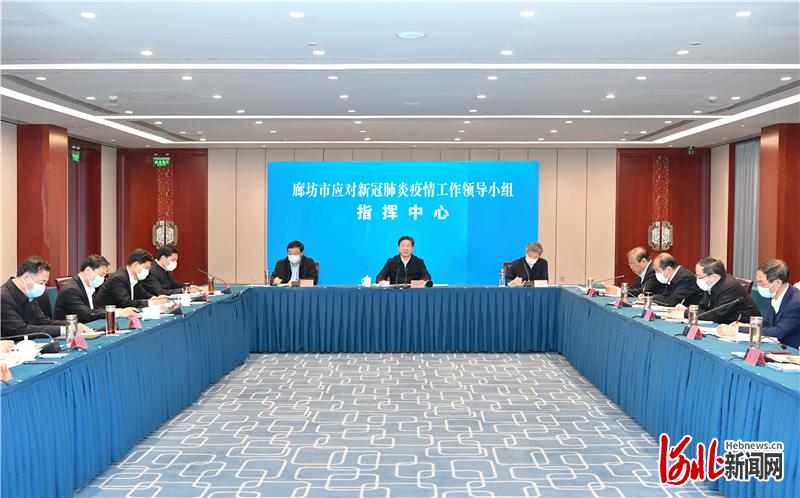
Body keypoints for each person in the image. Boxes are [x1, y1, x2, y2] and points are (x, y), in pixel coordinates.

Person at [1, 256, 91, 339]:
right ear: (26, 278)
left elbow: (41, 321)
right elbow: (20, 330)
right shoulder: (3, 298)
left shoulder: (28, 292)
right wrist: (64, 330)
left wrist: (71, 324)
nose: (43, 287)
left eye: (45, 283)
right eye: (41, 283)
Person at [717, 259, 800, 348]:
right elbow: (767, 325)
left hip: (790, 351)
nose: (759, 286)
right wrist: (746, 326)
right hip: (774, 347)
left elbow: (778, 332)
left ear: (777, 283)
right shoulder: (776, 295)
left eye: (761, 283)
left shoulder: (796, 303)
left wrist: (737, 330)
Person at [666, 256, 759, 324]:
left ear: (713, 276)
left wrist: (685, 314)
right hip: (724, 325)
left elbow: (716, 315)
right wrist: (688, 309)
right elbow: (703, 307)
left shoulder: (729, 287)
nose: (697, 279)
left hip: (742, 328)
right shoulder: (710, 284)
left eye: (699, 276)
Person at [53, 254, 137, 322]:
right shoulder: (71, 290)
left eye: (104, 276)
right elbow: (86, 314)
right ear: (88, 270)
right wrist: (118, 312)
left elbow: (96, 310)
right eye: (101, 275)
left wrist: (119, 310)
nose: (103, 279)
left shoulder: (90, 286)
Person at [95, 248, 168, 309]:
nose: (148, 272)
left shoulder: (135, 278)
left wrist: (154, 298)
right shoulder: (119, 278)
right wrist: (150, 302)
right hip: (106, 316)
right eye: (146, 268)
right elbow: (126, 302)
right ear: (136, 265)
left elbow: (142, 293)